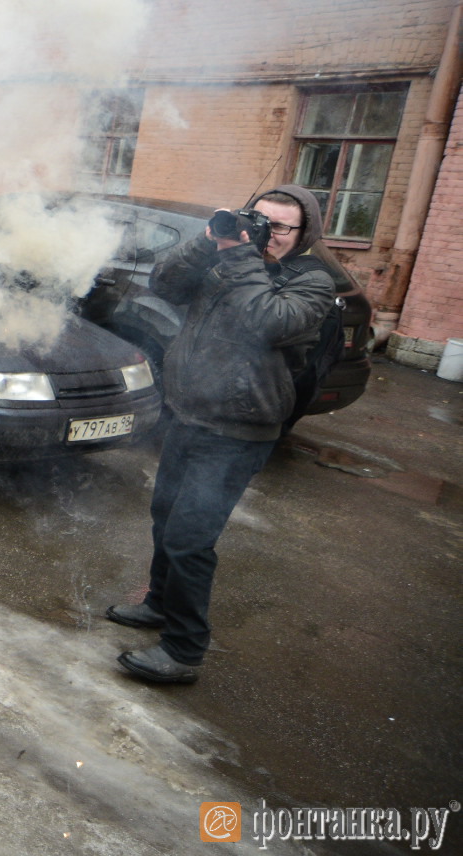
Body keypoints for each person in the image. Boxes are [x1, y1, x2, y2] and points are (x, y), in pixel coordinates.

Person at [108, 184, 335, 684]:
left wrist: (239, 256)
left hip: (239, 431)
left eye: (279, 227)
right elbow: (164, 284)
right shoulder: (226, 257)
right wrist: (210, 239)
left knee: (191, 539)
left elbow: (267, 321)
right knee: (165, 516)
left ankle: (185, 651)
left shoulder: (312, 282)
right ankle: (160, 604)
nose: (266, 232)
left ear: (304, 235)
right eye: (258, 219)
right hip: (186, 413)